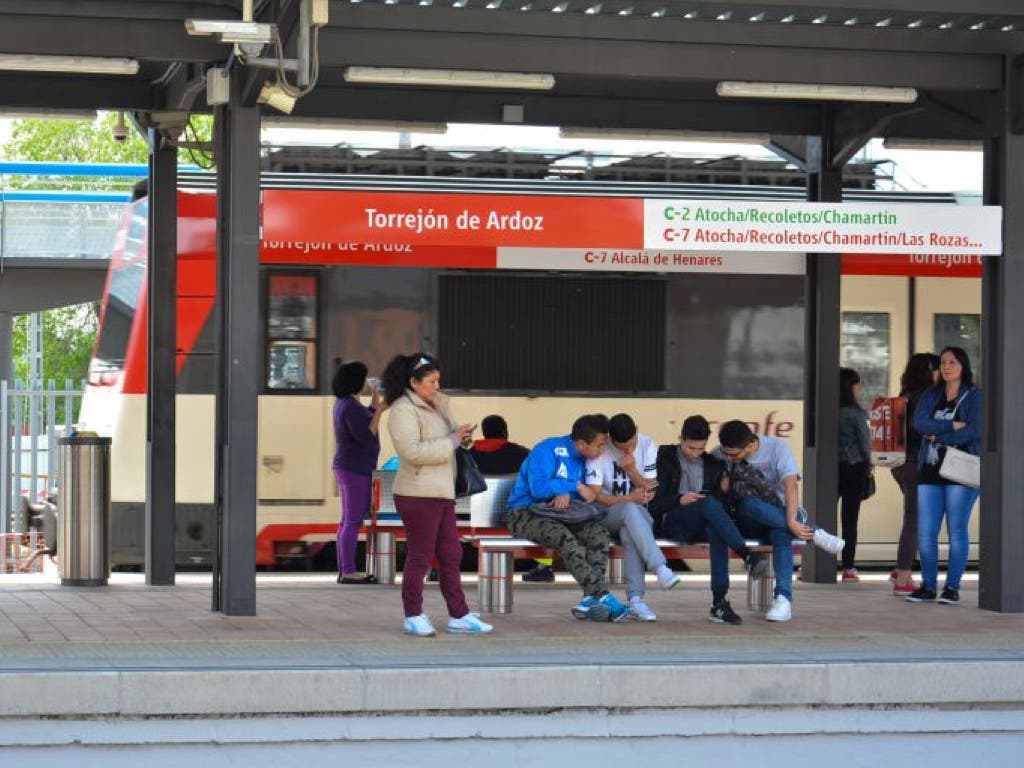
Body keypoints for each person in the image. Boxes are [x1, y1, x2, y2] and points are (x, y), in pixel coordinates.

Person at [383, 352, 493, 637]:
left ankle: (459, 614)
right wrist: (452, 441)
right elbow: (412, 452)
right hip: (417, 492)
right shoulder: (403, 410)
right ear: (413, 382)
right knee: (420, 556)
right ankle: (413, 614)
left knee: (451, 553)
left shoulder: (438, 405)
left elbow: (449, 442)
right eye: (432, 381)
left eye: (438, 381)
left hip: (441, 490)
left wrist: (462, 439)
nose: (437, 386)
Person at [506, 414, 631, 622]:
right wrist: (573, 486)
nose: (602, 451)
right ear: (582, 444)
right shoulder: (545, 450)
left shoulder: (586, 459)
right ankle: (602, 596)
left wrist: (564, 491)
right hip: (525, 513)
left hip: (563, 514)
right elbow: (538, 489)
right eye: (600, 446)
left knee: (599, 535)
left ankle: (590, 600)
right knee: (565, 539)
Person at [649, 415, 770, 626]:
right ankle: (746, 555)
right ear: (680, 438)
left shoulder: (712, 464)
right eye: (690, 448)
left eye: (700, 449)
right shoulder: (663, 458)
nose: (695, 454)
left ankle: (719, 603)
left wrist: (725, 490)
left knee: (715, 525)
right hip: (673, 522)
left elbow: (722, 506)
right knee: (708, 504)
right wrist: (680, 499)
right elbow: (653, 504)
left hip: (702, 522)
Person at [584, 413, 681, 622]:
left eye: (631, 444)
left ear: (636, 430)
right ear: (611, 439)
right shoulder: (601, 447)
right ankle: (660, 568)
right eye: (620, 447)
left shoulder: (646, 444)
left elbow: (651, 489)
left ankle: (636, 601)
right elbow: (595, 495)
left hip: (637, 516)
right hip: (605, 514)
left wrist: (631, 470)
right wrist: (629, 497)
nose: (627, 449)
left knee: (631, 531)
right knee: (630, 509)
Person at [906, 346, 982, 606]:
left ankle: (952, 587)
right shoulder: (931, 393)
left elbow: (975, 430)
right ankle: (928, 586)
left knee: (956, 529)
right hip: (930, 468)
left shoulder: (974, 395)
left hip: (961, 468)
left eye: (952, 362)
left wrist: (939, 435)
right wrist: (951, 425)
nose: (946, 366)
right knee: (926, 531)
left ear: (963, 366)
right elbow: (919, 423)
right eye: (943, 362)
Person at [716, 421, 813, 622]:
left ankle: (783, 599)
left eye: (734, 455)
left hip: (776, 517)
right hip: (745, 520)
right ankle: (816, 532)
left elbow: (791, 486)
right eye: (726, 453)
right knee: (750, 504)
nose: (729, 457)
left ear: (750, 445)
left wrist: (790, 520)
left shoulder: (777, 449)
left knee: (781, 532)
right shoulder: (721, 454)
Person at [470, 415, 553, 582]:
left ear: (485, 433)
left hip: (472, 516)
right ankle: (544, 566)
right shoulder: (521, 454)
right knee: (549, 514)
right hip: (515, 513)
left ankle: (436, 569)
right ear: (504, 432)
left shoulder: (468, 454)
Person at [890, 353, 941, 594]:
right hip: (916, 464)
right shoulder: (927, 397)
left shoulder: (905, 395)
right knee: (914, 519)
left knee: (914, 516)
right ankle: (903, 576)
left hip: (900, 464)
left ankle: (902, 567)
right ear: (930, 371)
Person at [332, 361, 385, 585]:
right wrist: (381, 410)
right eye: (364, 379)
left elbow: (368, 416)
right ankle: (348, 571)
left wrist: (375, 399)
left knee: (347, 521)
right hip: (355, 469)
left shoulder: (347, 404)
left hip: (350, 467)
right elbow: (365, 436)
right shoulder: (350, 407)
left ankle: (345, 569)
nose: (365, 382)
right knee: (352, 521)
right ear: (355, 381)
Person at [837, 367, 872, 582]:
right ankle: (848, 567)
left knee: (823, 519)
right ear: (849, 387)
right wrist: (870, 465)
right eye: (857, 384)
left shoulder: (825, 411)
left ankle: (814, 562)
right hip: (853, 469)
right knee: (850, 520)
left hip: (830, 470)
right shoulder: (856, 413)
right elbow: (865, 445)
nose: (860, 388)